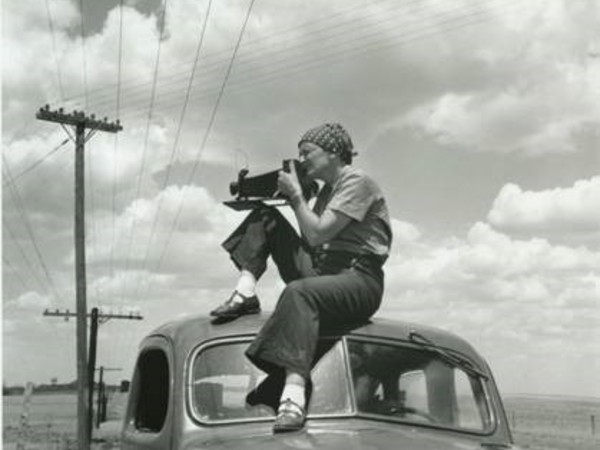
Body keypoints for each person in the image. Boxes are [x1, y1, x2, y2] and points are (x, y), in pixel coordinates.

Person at [210, 122, 392, 432]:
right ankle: (246, 292)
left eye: (307, 152)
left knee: (299, 292)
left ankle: (293, 396)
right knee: (264, 217)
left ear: (333, 152)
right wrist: (293, 201)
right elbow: (311, 242)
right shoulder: (327, 193)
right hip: (324, 271)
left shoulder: (357, 181)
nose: (302, 159)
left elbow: (318, 234)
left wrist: (296, 199)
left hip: (359, 279)